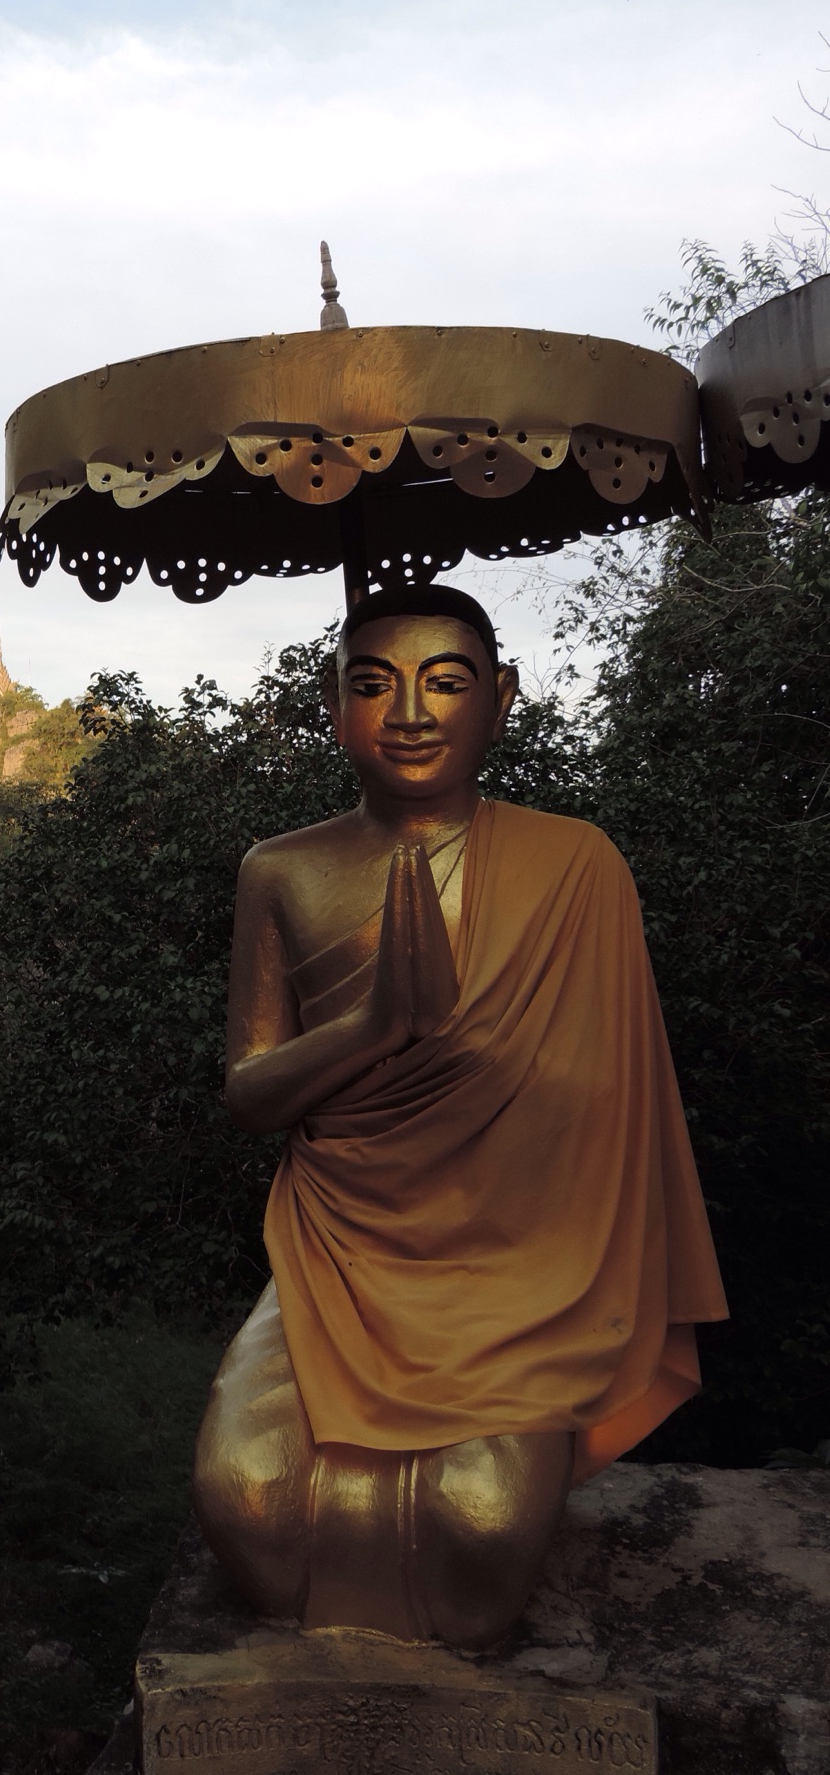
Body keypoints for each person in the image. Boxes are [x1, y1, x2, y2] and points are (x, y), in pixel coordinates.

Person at [192, 585, 727, 1649]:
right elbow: (249, 1090)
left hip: (518, 1258)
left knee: (478, 1542)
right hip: (340, 1243)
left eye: (446, 680)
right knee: (249, 1502)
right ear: (331, 706)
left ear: (504, 699)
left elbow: (606, 1108)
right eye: (373, 683)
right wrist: (373, 1028)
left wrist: (483, 1062)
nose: (410, 712)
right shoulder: (283, 867)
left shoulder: (577, 868)